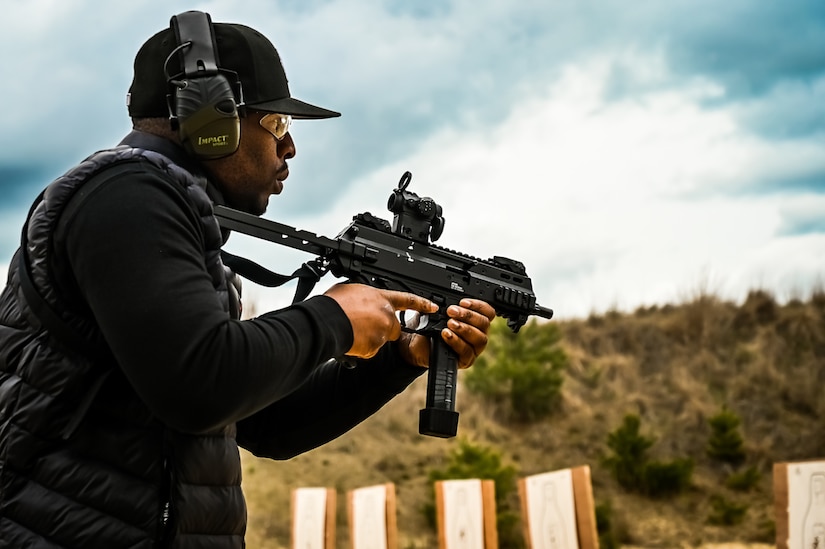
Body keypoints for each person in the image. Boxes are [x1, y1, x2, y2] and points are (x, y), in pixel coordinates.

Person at [0, 11, 495, 549]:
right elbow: (202, 383)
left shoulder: (172, 217)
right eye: (277, 125)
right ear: (209, 119)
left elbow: (267, 425)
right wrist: (332, 317)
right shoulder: (126, 195)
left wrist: (401, 358)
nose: (290, 149)